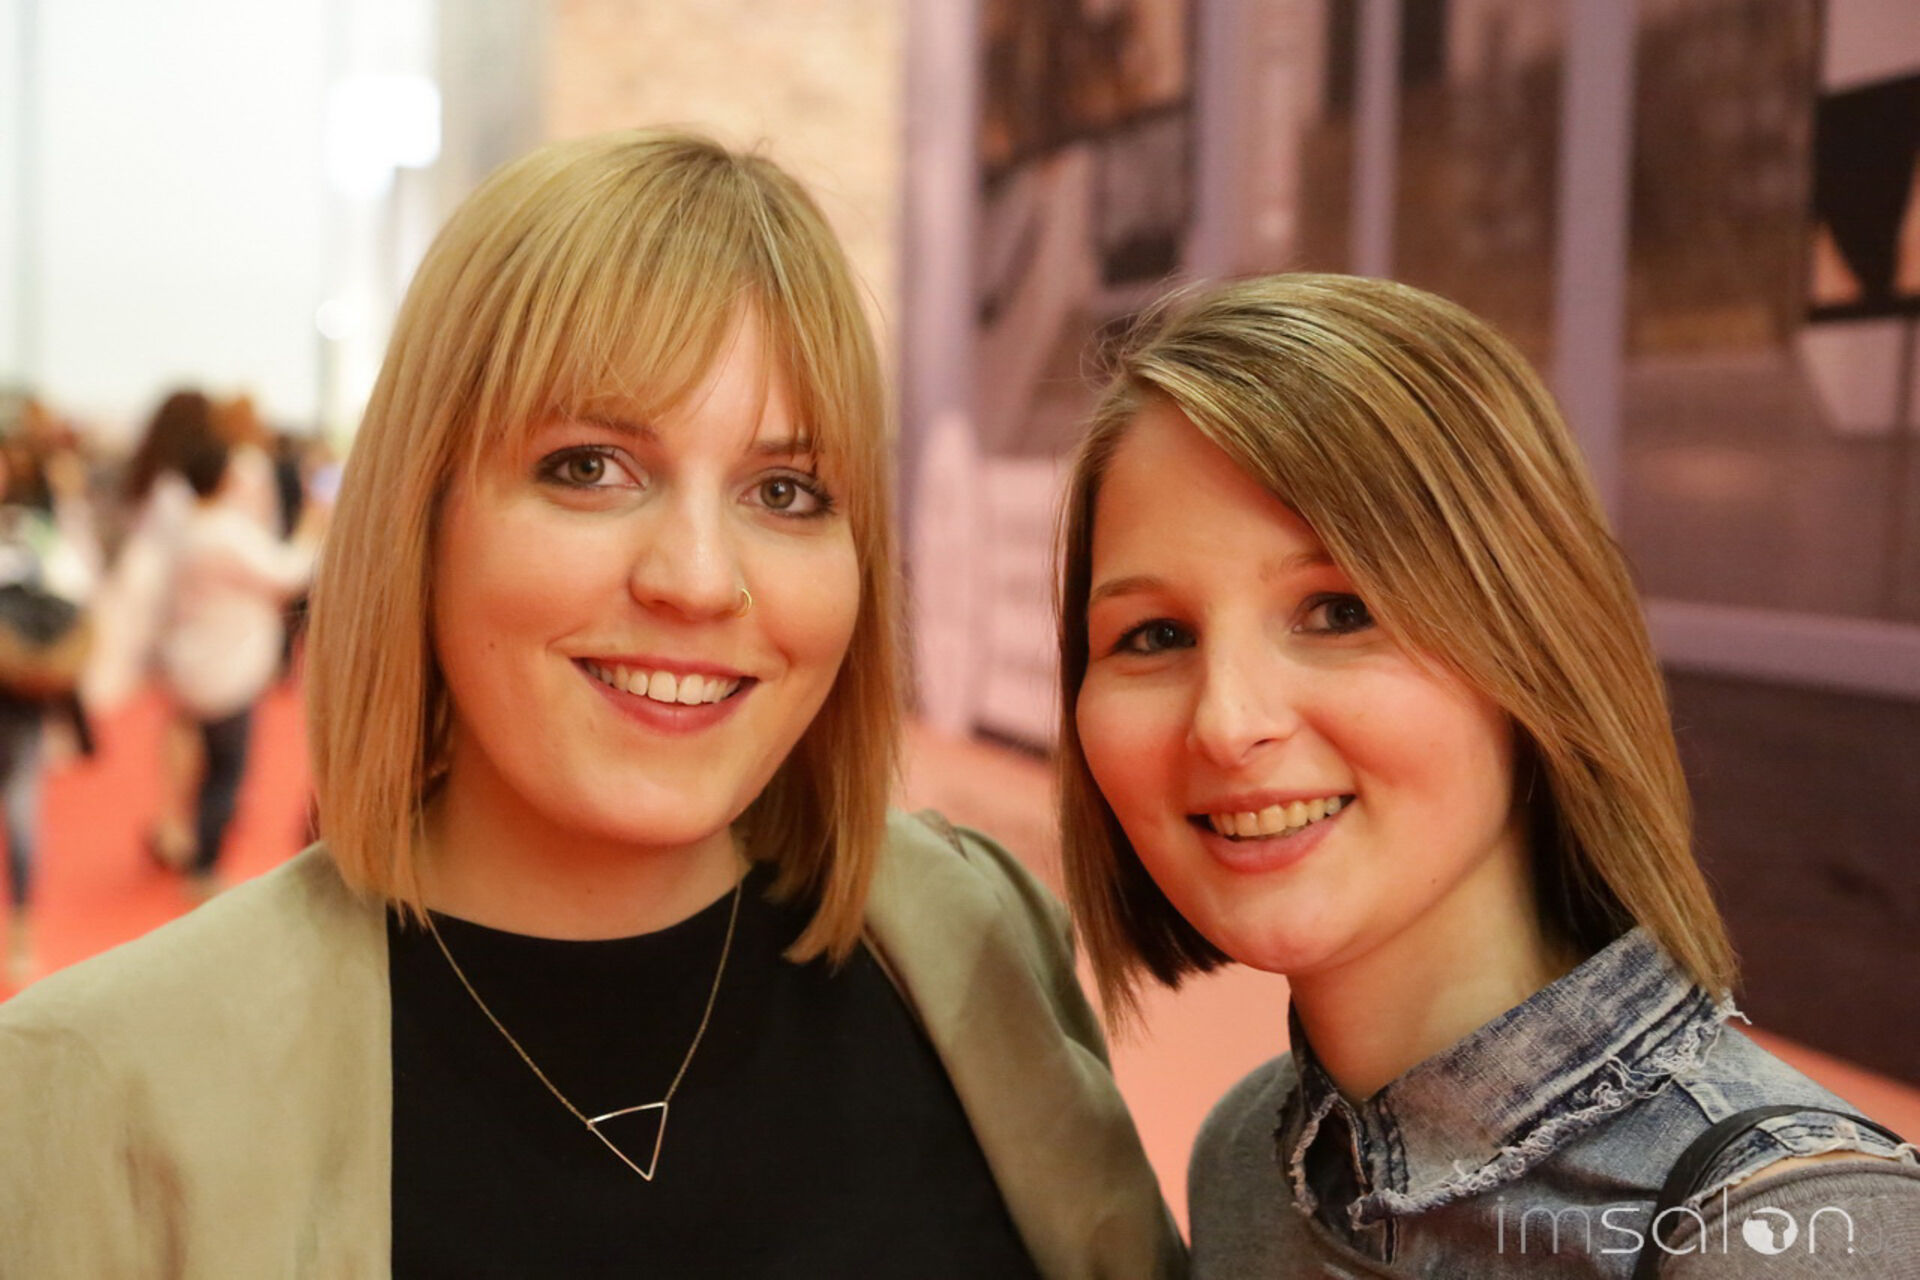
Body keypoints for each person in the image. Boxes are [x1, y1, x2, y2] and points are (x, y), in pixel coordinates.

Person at [0, 130, 1181, 1278]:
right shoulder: (97, 1089)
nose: (697, 579)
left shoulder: (977, 938)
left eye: (784, 489)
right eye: (589, 468)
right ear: (422, 518)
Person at [1055, 274, 1919, 1277]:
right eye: (1155, 635)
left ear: (1533, 642)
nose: (1227, 723)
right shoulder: (1251, 1158)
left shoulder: (1786, 1236)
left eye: (1340, 611)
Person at [156, 431, 322, 897]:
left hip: (193, 659)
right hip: (225, 669)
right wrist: (312, 527)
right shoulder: (225, 534)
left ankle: (188, 845)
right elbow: (287, 574)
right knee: (225, 771)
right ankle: (204, 866)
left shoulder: (187, 528)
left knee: (204, 765)